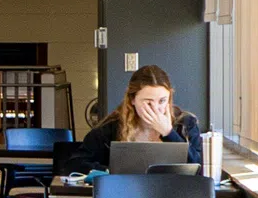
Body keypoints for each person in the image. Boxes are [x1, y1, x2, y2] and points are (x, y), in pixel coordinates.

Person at [70, 65, 204, 170]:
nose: (156, 109)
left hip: (174, 195)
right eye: (148, 102)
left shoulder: (186, 124)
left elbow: (198, 167)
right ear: (132, 100)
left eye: (162, 101)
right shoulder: (112, 127)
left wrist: (169, 133)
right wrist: (110, 172)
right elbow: (75, 163)